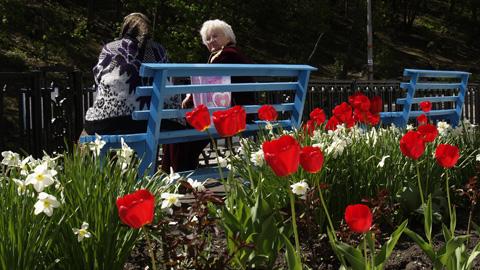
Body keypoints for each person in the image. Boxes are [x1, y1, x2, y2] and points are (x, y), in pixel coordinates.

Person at [161, 19, 255, 173]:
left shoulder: (227, 55)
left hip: (231, 115)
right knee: (185, 129)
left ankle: (175, 174)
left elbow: (209, 84)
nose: (211, 41)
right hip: (235, 112)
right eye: (208, 38)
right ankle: (180, 172)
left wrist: (190, 96)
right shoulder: (231, 54)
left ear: (228, 37)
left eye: (215, 36)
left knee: (178, 126)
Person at [84, 12, 182, 135]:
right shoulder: (159, 50)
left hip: (111, 123)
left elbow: (98, 78)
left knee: (87, 127)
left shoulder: (110, 48)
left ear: (125, 28)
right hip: (160, 121)